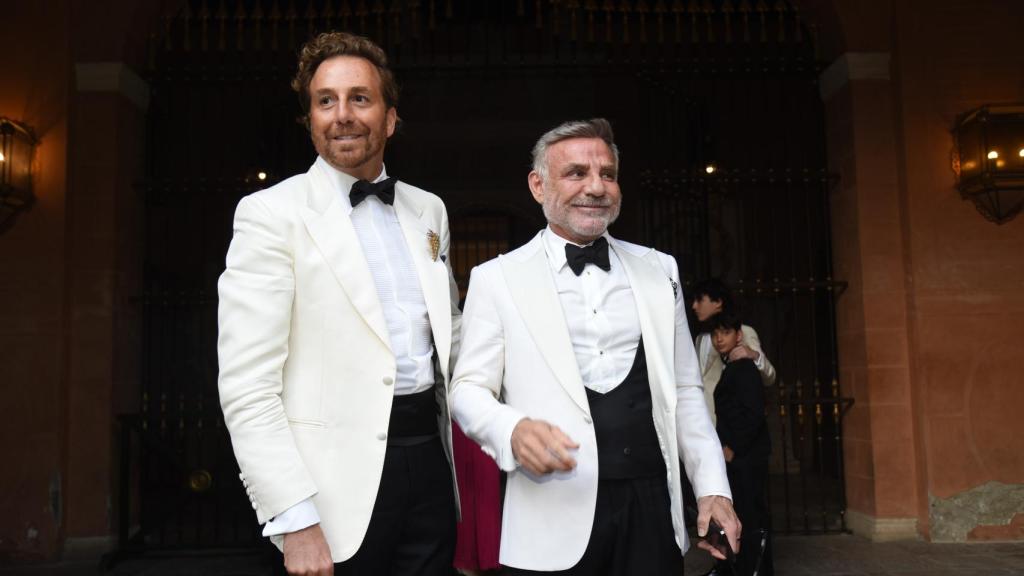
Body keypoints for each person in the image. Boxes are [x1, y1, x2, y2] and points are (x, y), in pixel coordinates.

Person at [217, 31, 461, 576]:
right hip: (330, 495)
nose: (342, 114)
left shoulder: (430, 211)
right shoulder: (268, 214)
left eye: (360, 97)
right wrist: (293, 516)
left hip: (431, 465)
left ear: (391, 117)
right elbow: (246, 385)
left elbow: (451, 338)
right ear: (309, 119)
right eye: (325, 101)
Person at [450, 118, 740, 575]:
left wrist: (712, 488)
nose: (596, 186)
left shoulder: (659, 269)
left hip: (650, 508)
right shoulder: (496, 279)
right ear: (538, 185)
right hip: (550, 511)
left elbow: (686, 390)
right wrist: (511, 430)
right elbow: (466, 389)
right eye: (576, 173)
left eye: (607, 174)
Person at [708, 310, 773, 576]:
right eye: (715, 333)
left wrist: (732, 448)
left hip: (746, 457)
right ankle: (736, 569)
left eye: (725, 332)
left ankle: (751, 570)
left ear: (738, 335)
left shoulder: (744, 367)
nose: (719, 338)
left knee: (749, 518)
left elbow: (754, 414)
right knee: (741, 516)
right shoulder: (733, 366)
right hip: (740, 457)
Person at [691, 278, 776, 422]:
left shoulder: (744, 332)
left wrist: (754, 355)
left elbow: (770, 377)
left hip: (729, 427)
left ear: (717, 302)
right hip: (701, 424)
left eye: (699, 300)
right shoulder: (701, 338)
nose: (694, 306)